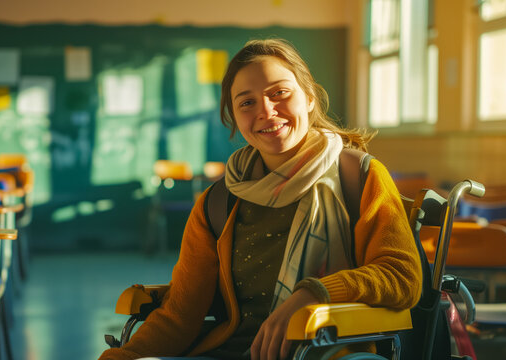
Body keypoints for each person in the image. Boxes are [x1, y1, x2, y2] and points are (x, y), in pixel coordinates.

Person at [99, 38, 421, 360]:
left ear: (309, 97)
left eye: (279, 93)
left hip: (327, 351)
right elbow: (180, 315)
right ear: (235, 119)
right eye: (246, 103)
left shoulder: (359, 177)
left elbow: (403, 276)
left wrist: (314, 294)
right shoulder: (218, 203)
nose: (266, 111)